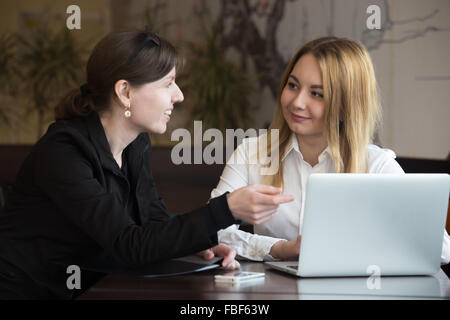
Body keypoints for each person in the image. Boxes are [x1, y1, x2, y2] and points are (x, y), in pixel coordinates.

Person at [0, 29, 294, 299]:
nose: (178, 96)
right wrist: (226, 209)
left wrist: (196, 241)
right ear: (125, 92)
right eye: (168, 83)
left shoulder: (135, 143)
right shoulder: (64, 153)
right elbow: (130, 245)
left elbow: (151, 222)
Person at [211, 36, 450, 264]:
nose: (297, 102)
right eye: (293, 85)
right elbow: (212, 231)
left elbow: (441, 250)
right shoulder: (252, 152)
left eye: (317, 94)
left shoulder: (376, 165)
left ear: (346, 104)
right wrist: (279, 248)